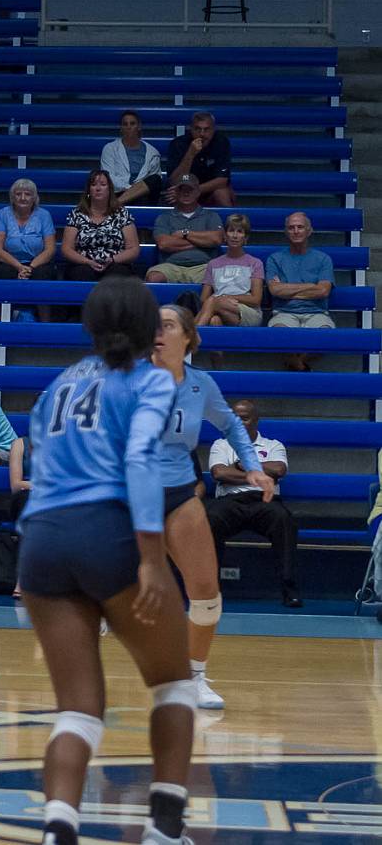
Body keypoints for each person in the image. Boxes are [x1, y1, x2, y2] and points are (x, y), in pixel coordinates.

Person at [16, 277, 196, 845]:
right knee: (174, 685)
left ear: (91, 326)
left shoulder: (55, 387)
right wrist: (149, 557)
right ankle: (166, 831)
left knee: (78, 710)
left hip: (41, 541)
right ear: (149, 329)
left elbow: (41, 472)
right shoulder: (149, 381)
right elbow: (141, 458)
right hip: (109, 533)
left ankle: (57, 830)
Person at [152, 305, 274, 712]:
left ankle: (194, 677)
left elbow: (232, 426)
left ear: (187, 337)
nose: (157, 331)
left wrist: (254, 469)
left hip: (178, 492)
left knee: (206, 593)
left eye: (167, 325)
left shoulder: (200, 384)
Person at [207, 399, 301, 607]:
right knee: (209, 520)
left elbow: (279, 470)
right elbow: (219, 473)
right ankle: (210, 589)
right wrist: (259, 474)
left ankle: (288, 586)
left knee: (285, 521)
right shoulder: (221, 444)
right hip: (230, 501)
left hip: (265, 500)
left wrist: (242, 465)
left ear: (256, 421)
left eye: (245, 418)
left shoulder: (273, 445)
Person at [266, 212, 335, 372]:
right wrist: (311, 286)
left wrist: (287, 289)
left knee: (327, 337)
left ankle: (294, 363)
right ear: (285, 232)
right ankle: (301, 366)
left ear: (309, 231)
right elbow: (275, 290)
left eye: (300, 227)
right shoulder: (274, 259)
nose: (296, 231)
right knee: (278, 334)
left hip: (317, 313)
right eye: (291, 228)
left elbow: (323, 291)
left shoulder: (323, 259)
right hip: (284, 313)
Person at [61, 168, 141, 283]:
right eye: (93, 185)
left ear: (110, 190)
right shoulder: (77, 214)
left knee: (117, 275)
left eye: (103, 184)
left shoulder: (122, 213)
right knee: (82, 274)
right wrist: (87, 262)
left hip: (115, 263)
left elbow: (133, 249)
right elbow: (66, 249)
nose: (98, 188)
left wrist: (113, 260)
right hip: (83, 264)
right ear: (89, 190)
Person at [147, 175, 224, 286]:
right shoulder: (164, 218)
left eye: (190, 190)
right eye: (181, 189)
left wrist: (185, 233)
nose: (186, 193)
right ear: (176, 193)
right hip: (171, 266)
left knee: (217, 277)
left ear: (198, 192)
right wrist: (201, 242)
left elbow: (216, 239)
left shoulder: (211, 216)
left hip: (203, 266)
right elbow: (164, 244)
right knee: (154, 277)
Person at [196, 214, 263, 328]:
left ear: (245, 238)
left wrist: (228, 297)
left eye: (240, 231)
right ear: (225, 236)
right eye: (231, 230)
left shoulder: (255, 263)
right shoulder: (213, 264)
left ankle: (190, 335)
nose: (235, 236)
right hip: (220, 309)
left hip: (248, 310)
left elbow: (256, 300)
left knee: (213, 301)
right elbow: (203, 299)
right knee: (214, 320)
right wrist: (221, 300)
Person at [0, 178, 57, 287]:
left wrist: (30, 267)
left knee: (43, 275)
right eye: (18, 194)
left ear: (34, 198)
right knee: (2, 273)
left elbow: (50, 249)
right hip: (8, 262)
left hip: (38, 263)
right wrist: (19, 267)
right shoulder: (2, 214)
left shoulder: (44, 215)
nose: (23, 198)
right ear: (12, 197)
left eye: (28, 194)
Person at [163, 111, 234, 207]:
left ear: (213, 130)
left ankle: (233, 221)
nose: (202, 134)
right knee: (173, 194)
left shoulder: (221, 143)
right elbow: (175, 181)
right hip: (184, 191)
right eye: (197, 129)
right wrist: (190, 154)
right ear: (191, 129)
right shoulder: (178, 144)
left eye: (206, 129)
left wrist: (195, 190)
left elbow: (222, 181)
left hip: (209, 191)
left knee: (222, 192)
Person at [102, 110, 165, 207]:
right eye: (125, 124)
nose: (128, 127)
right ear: (121, 128)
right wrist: (131, 189)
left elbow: (153, 183)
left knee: (156, 179)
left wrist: (136, 190)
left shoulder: (153, 153)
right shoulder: (110, 149)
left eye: (132, 123)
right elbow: (108, 177)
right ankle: (118, 203)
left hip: (143, 196)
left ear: (139, 127)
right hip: (118, 192)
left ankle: (115, 205)